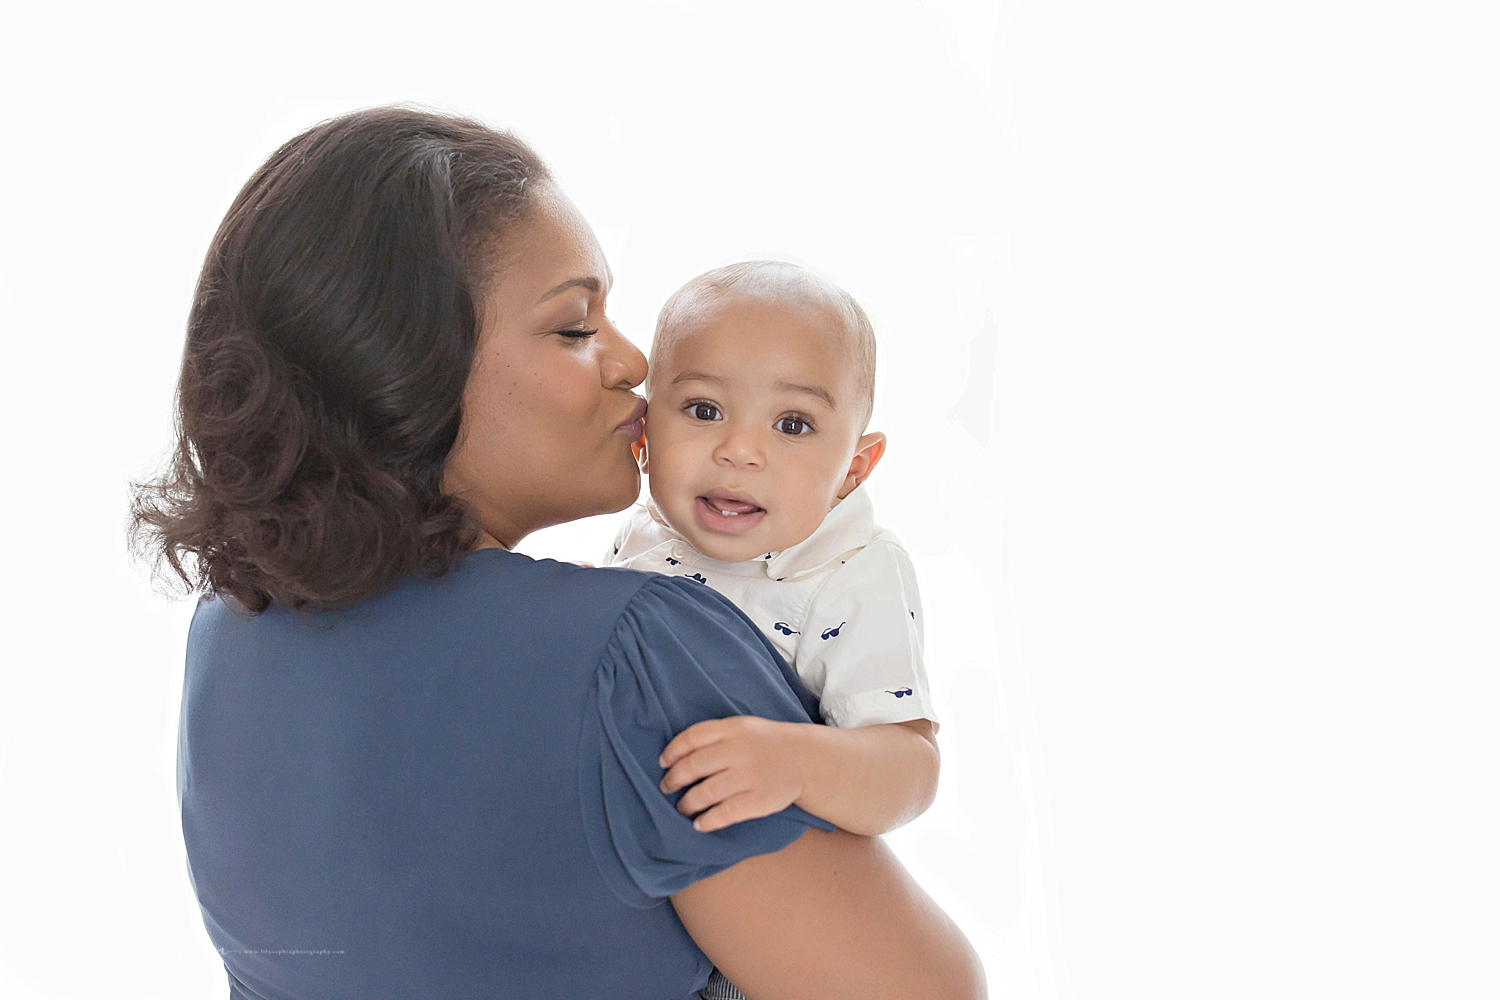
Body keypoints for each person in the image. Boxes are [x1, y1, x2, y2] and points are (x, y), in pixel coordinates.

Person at [132, 106, 985, 1000]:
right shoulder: (638, 652)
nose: (631, 362)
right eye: (575, 327)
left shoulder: (229, 631)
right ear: (407, 365)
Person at [605, 262, 940, 1000]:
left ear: (854, 468)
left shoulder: (851, 570)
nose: (740, 449)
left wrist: (797, 762)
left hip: (767, 932)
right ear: (644, 429)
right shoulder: (641, 541)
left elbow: (911, 766)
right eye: (702, 409)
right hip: (637, 917)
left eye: (792, 425)